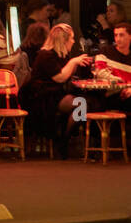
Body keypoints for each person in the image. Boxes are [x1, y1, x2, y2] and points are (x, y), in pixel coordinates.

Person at [20, 23, 90, 157]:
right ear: (63, 40)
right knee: (81, 104)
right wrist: (74, 62)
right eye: (72, 38)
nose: (73, 41)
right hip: (41, 97)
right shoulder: (46, 55)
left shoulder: (61, 54)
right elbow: (60, 77)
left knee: (85, 103)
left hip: (55, 93)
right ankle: (64, 140)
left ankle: (66, 138)